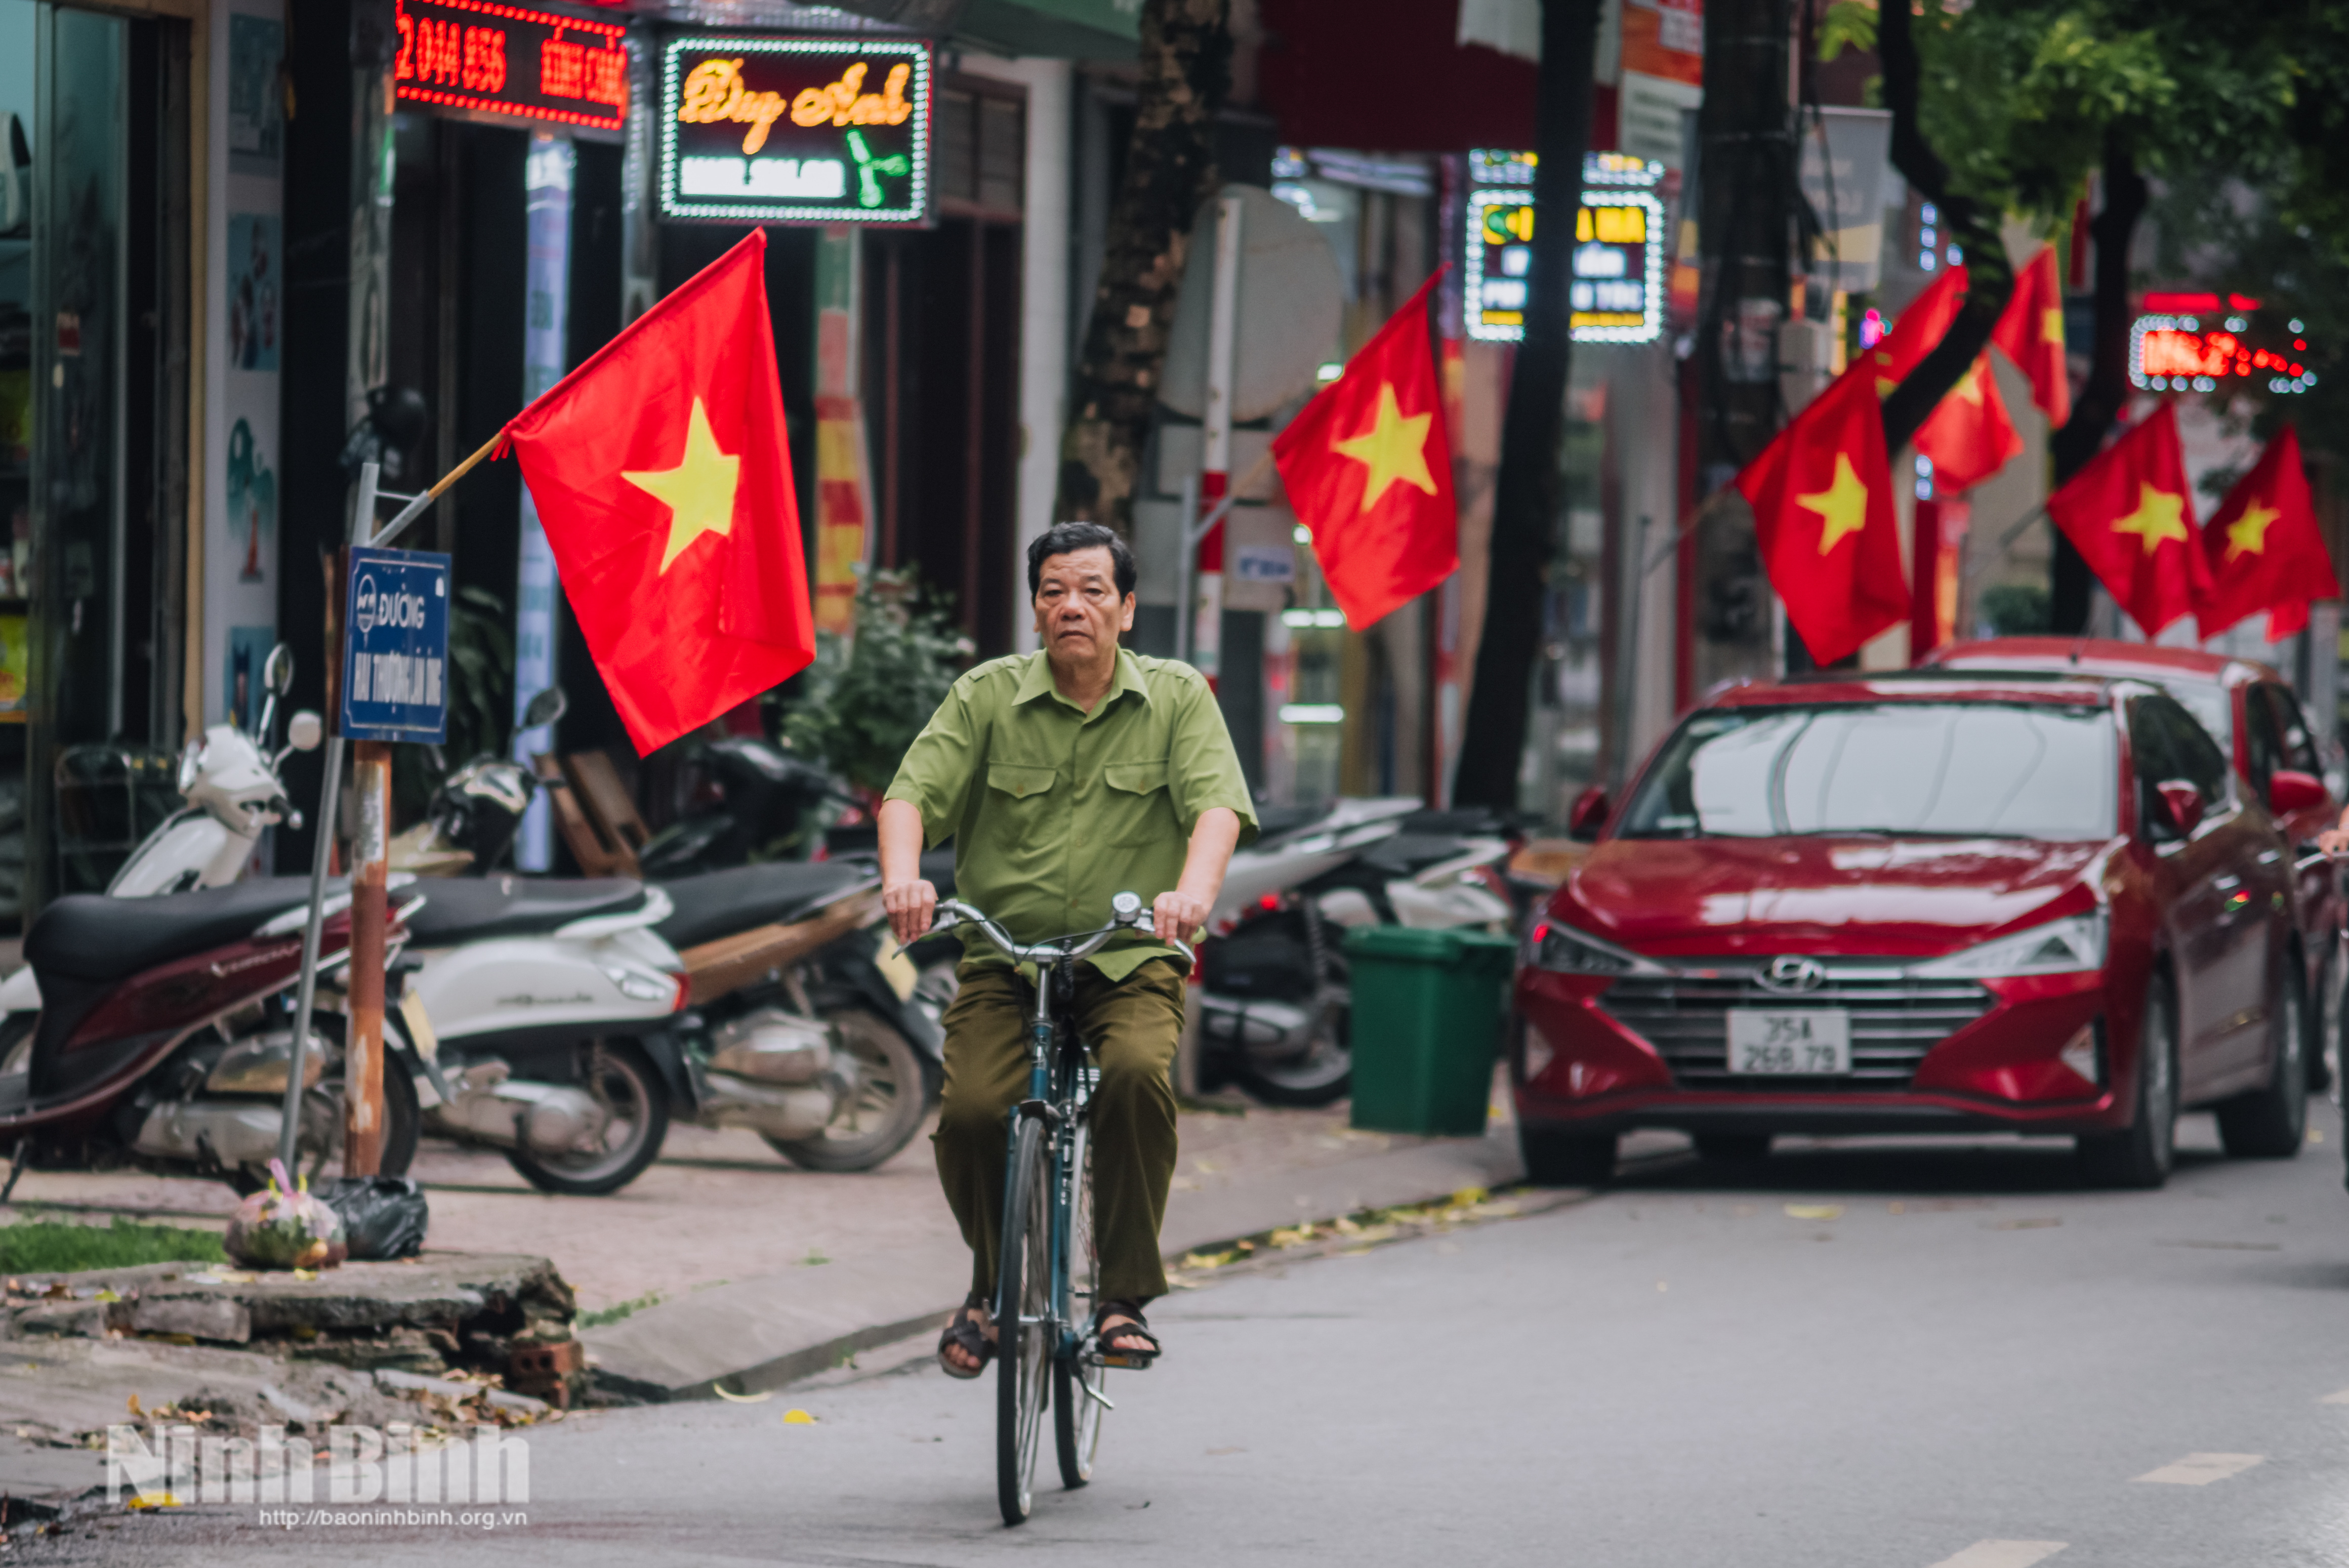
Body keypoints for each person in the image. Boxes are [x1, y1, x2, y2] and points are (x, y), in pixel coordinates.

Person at [879, 521, 1256, 1378]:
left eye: (1091, 590)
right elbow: (910, 796)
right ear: (1035, 608)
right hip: (1004, 956)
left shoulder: (1176, 696)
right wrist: (904, 878)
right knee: (974, 1108)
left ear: (1125, 609)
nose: (1071, 607)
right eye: (1053, 591)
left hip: (1130, 957)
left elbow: (1215, 810)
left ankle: (1121, 1295)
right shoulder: (985, 696)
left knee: (1132, 1074)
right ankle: (986, 1289)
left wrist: (1191, 894)